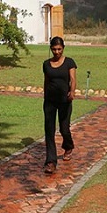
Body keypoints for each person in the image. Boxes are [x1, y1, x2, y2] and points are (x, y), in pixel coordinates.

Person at [42, 36, 77, 174]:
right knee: (49, 131)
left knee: (64, 129)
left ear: (63, 48)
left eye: (59, 49)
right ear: (51, 49)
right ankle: (50, 162)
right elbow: (46, 80)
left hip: (65, 100)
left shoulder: (69, 62)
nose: (57, 52)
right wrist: (45, 95)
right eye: (54, 49)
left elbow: (73, 79)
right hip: (50, 101)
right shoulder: (46, 64)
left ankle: (68, 146)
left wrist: (72, 92)